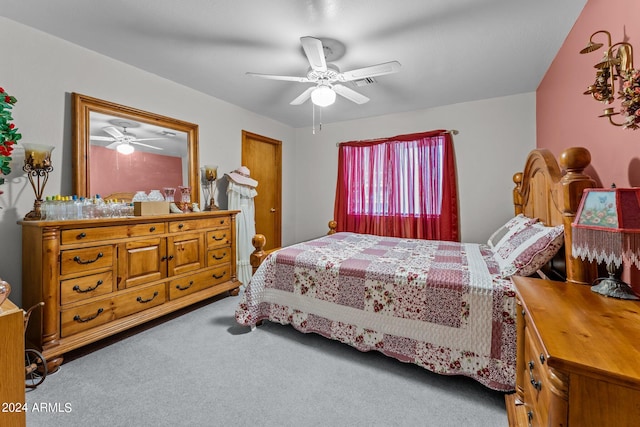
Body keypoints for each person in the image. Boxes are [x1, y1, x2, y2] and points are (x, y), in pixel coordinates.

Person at [225, 166, 258, 286]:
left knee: (248, 242)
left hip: (247, 217)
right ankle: (240, 275)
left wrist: (252, 219)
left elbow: (251, 206)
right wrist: (234, 221)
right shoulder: (234, 185)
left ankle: (249, 273)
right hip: (239, 216)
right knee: (241, 242)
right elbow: (232, 205)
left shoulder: (248, 188)